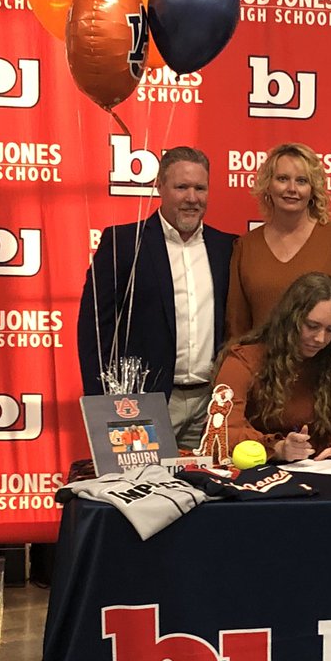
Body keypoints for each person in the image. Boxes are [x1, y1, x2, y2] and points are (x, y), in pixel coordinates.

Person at [77, 146, 237, 449]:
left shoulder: (227, 248)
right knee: (140, 492)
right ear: (159, 186)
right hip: (143, 404)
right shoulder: (122, 244)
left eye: (200, 188)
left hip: (211, 405)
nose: (192, 197)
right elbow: (95, 331)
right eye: (181, 187)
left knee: (208, 493)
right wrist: (104, 405)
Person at [213, 272, 331, 465]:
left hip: (320, 472)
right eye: (312, 326)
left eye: (330, 330)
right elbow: (222, 432)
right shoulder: (243, 360)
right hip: (256, 469)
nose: (320, 339)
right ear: (289, 320)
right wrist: (276, 448)